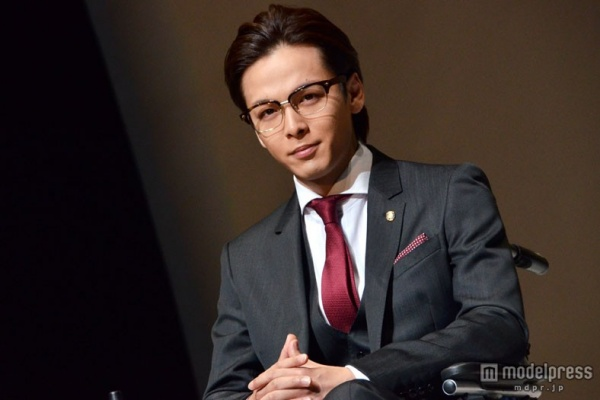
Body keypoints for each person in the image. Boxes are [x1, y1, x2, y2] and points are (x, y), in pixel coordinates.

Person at [204, 4, 528, 400]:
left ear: (354, 92)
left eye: (308, 97)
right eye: (268, 112)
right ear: (256, 130)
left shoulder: (449, 193)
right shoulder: (245, 260)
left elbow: (498, 324)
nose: (294, 127)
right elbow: (224, 392)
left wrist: (355, 376)